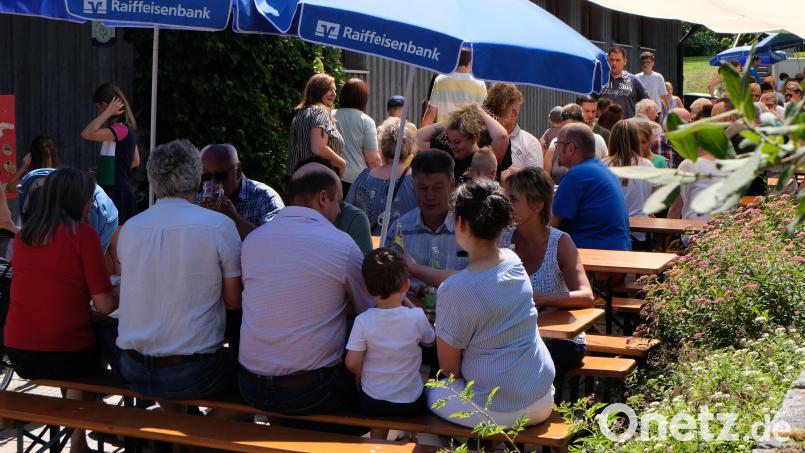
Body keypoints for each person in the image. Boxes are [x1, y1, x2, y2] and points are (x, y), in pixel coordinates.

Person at [239, 162, 374, 415]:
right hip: (310, 391)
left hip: (251, 386)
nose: (339, 211)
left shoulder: (253, 241)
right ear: (323, 198)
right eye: (338, 202)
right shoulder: (342, 244)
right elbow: (367, 310)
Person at [116, 139, 242, 401]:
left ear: (153, 181)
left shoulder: (130, 228)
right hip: (193, 371)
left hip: (133, 368)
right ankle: (198, 437)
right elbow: (233, 301)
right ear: (197, 181)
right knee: (256, 379)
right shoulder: (219, 226)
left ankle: (179, 440)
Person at [4, 168, 116, 453]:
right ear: (77, 201)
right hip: (68, 356)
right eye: (89, 198)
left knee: (75, 345)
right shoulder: (83, 236)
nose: (92, 204)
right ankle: (79, 440)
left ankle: (77, 437)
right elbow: (105, 306)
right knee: (96, 350)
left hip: (19, 354)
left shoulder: (22, 238)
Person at [427, 178, 555, 428]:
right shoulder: (513, 261)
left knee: (431, 392)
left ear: (461, 223)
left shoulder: (454, 290)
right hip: (541, 396)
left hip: (495, 409)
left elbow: (450, 371)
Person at [500, 168, 594, 378]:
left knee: (524, 372)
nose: (506, 205)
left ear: (537, 205)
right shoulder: (502, 238)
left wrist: (538, 297)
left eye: (513, 199)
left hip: (561, 340)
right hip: (518, 336)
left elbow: (586, 296)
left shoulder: (560, 242)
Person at [345, 248, 435, 438]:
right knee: (419, 399)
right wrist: (409, 303)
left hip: (373, 401)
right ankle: (414, 440)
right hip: (411, 402)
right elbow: (430, 341)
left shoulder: (364, 320)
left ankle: (377, 444)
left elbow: (352, 363)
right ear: (406, 284)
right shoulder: (416, 317)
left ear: (368, 288)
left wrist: (358, 372)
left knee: (378, 421)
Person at [385, 149, 468, 287]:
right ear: (413, 187)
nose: (430, 196)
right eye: (423, 188)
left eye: (437, 188)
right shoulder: (399, 230)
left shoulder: (470, 230)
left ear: (452, 186)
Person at [551, 123, 631, 251]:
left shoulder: (576, 175)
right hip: (617, 248)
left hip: (596, 253)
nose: (556, 150)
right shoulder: (601, 168)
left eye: (558, 144)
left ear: (571, 148)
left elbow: (553, 224)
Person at [346, 117, 417, 236]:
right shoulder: (417, 182)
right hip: (406, 251)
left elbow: (348, 216)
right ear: (409, 151)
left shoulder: (363, 179)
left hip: (370, 250)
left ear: (381, 149)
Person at [81, 83, 140, 224]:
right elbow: (135, 161)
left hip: (117, 192)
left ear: (105, 105)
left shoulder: (120, 130)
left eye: (100, 108)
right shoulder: (124, 129)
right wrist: (106, 169)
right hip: (118, 190)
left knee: (113, 244)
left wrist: (108, 112)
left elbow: (87, 133)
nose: (100, 113)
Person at [200, 143, 284, 239]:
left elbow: (276, 242)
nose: (212, 182)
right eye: (206, 177)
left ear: (238, 170)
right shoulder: (199, 200)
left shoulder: (265, 198)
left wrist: (235, 219)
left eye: (220, 176)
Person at [416, 103, 508, 184]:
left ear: (473, 138)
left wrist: (480, 112)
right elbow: (419, 137)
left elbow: (502, 136)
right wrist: (450, 121)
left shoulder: (485, 157)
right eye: (449, 140)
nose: (452, 146)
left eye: (457, 142)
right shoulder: (446, 153)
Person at [604, 121, 655, 248]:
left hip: (612, 229)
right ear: (635, 140)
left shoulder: (604, 165)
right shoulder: (647, 165)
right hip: (641, 231)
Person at [287, 73, 345, 178]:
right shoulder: (320, 111)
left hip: (296, 179)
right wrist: (341, 164)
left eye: (335, 90)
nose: (334, 94)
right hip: (315, 180)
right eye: (329, 90)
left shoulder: (300, 113)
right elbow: (318, 148)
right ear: (318, 91)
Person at [334, 78, 381, 195]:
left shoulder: (329, 115)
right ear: (363, 99)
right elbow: (372, 159)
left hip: (331, 176)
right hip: (356, 180)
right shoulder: (366, 121)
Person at [483, 83, 543, 176]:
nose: (492, 116)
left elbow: (536, 182)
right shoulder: (478, 137)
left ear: (515, 114)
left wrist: (499, 167)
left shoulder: (530, 143)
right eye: (491, 110)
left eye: (499, 112)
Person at [543, 104, 608, 185]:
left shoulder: (598, 140)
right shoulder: (555, 143)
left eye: (575, 127)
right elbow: (546, 179)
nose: (571, 132)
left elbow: (605, 172)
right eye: (566, 127)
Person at [421, 48, 487, 126]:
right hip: (468, 134)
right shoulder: (480, 84)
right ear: (470, 62)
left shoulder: (440, 80)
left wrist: (421, 134)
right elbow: (482, 115)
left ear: (455, 60)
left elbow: (430, 113)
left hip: (444, 134)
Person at [600, 47, 649, 119]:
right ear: (608, 61)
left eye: (618, 60)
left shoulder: (634, 80)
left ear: (625, 61)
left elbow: (646, 103)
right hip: (604, 127)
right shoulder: (600, 80)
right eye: (611, 60)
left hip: (627, 127)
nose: (614, 63)